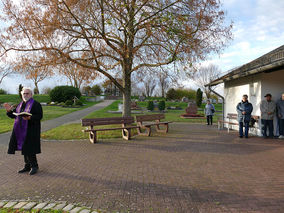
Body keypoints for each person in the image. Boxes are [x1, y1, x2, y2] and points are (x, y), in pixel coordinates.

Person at [3, 87, 43, 175]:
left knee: (30, 149)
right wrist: (9, 111)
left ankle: (34, 166)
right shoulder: (20, 105)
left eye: (27, 93)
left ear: (31, 94)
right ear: (22, 95)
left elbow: (39, 116)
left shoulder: (36, 104)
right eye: (24, 93)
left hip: (31, 130)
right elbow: (14, 115)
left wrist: (30, 118)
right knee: (24, 148)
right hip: (20, 130)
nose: (25, 95)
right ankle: (27, 166)